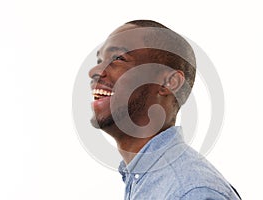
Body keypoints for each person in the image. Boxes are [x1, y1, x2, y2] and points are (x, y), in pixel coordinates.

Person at [89, 20, 241, 200]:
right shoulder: (145, 179)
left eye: (118, 58)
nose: (94, 71)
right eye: (100, 60)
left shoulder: (190, 192)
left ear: (169, 82)